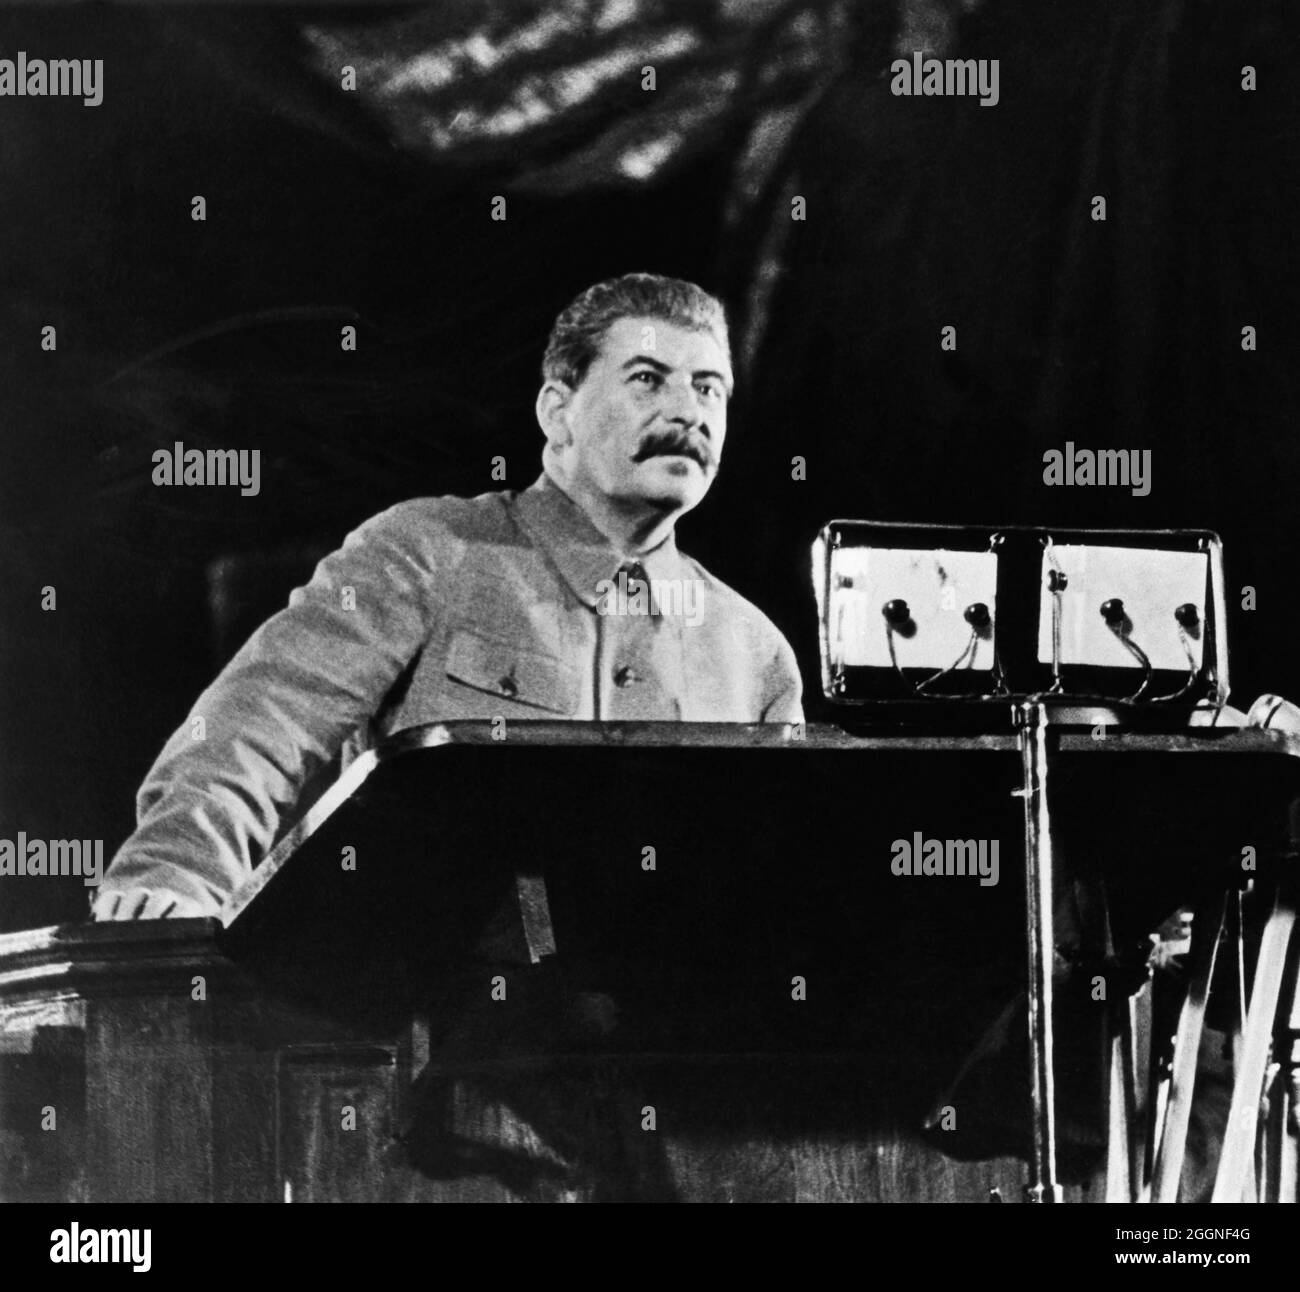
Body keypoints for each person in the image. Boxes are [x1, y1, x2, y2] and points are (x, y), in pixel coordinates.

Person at [93, 272, 804, 920]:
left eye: (709, 388)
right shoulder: (429, 551)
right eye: (649, 379)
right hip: (425, 1035)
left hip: (666, 1041)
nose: (688, 412)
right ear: (558, 411)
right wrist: (176, 875)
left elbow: (781, 877)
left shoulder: (757, 652)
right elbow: (260, 724)